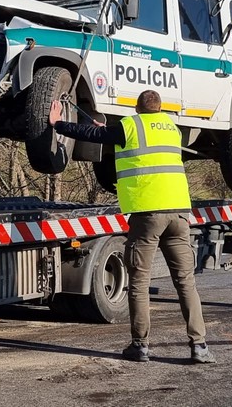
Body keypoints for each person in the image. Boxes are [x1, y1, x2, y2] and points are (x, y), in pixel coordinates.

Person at [48, 90, 215, 364]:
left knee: (138, 282)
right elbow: (135, 143)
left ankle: (140, 345)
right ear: (159, 108)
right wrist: (112, 132)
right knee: (186, 282)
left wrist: (58, 124)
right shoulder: (172, 129)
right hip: (179, 214)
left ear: (137, 108)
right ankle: (199, 346)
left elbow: (92, 136)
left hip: (147, 214)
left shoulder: (130, 125)